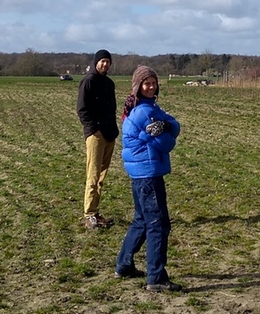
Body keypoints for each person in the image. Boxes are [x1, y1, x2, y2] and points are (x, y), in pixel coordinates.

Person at [115, 65, 183, 292]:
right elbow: (167, 143)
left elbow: (173, 124)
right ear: (138, 87)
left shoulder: (146, 107)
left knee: (142, 220)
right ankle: (156, 277)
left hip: (139, 174)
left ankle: (124, 264)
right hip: (148, 173)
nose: (151, 86)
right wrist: (167, 129)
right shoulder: (145, 112)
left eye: (154, 82)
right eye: (147, 83)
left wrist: (167, 125)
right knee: (158, 224)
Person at [77, 49, 119, 229]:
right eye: (102, 61)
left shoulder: (109, 83)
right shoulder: (88, 81)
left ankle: (95, 211)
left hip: (110, 134)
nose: (105, 64)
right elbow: (82, 110)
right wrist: (94, 130)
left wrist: (112, 131)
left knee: (101, 175)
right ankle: (89, 214)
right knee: (93, 175)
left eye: (108, 62)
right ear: (96, 62)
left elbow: (112, 108)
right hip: (96, 136)